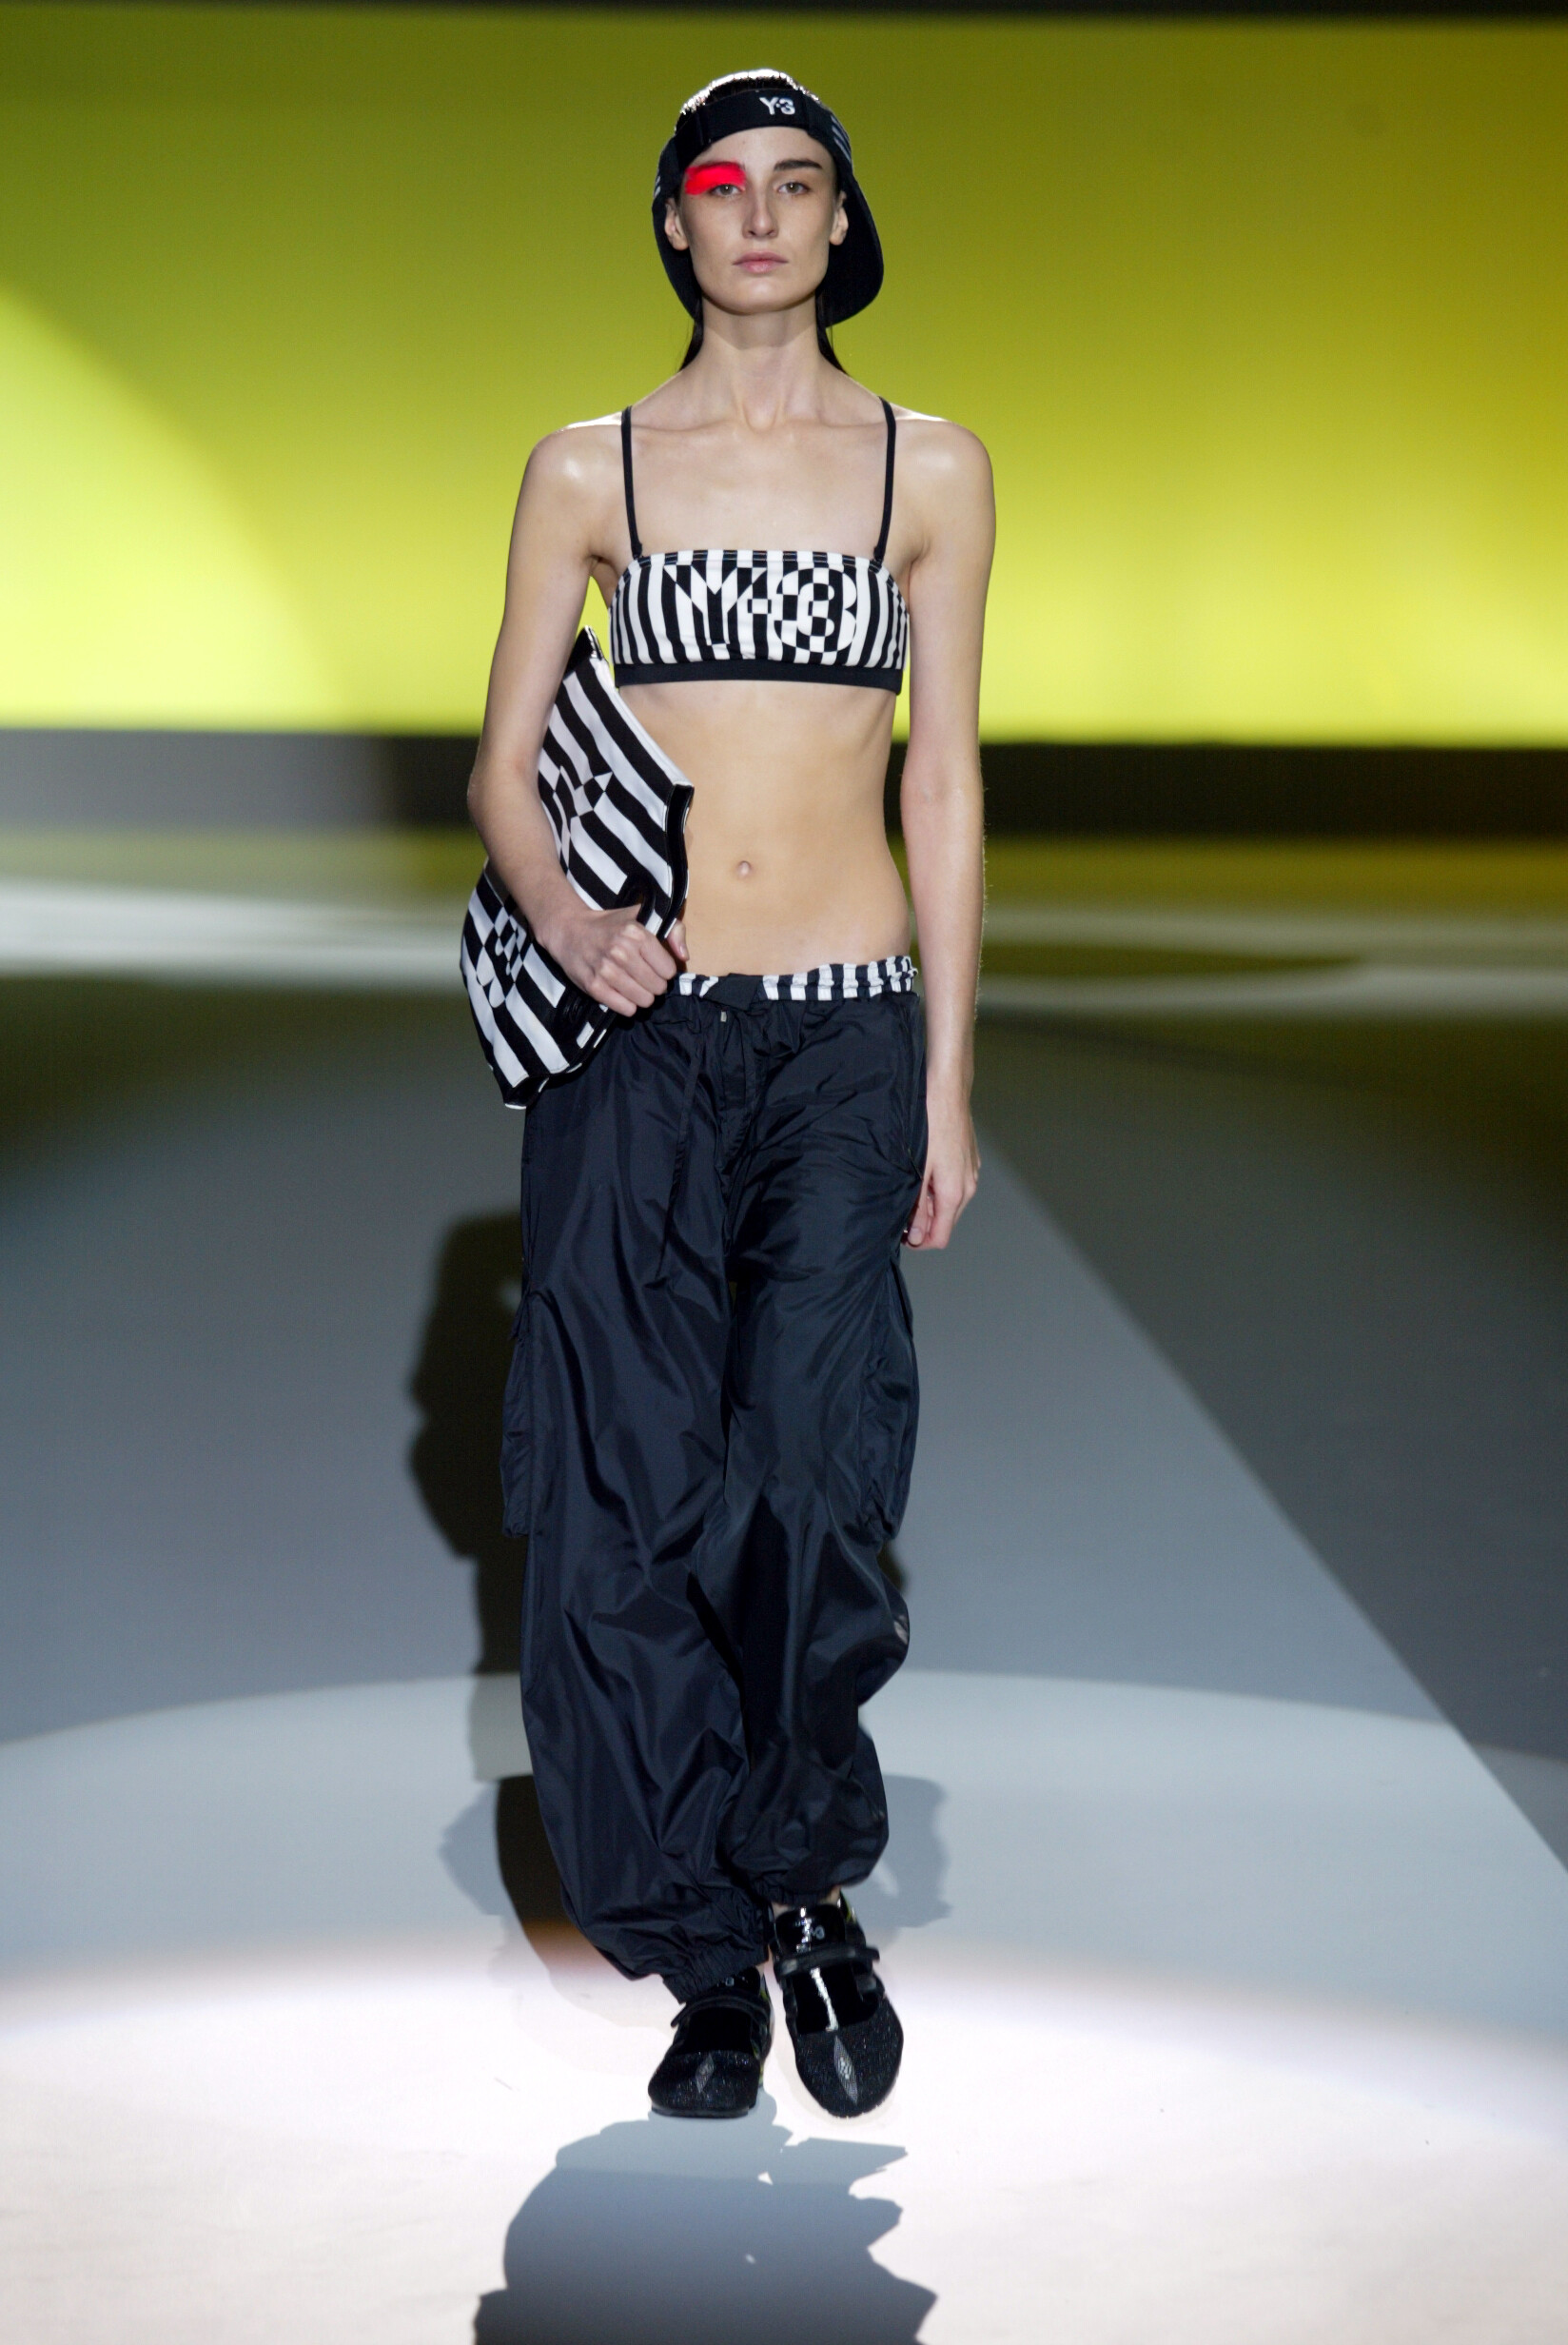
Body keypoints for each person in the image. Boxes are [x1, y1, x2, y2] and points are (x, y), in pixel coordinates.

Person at [467, 68, 990, 2120]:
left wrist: (947, 1070)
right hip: (642, 1035)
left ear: (843, 223)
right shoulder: (582, 468)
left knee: (810, 1473)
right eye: (720, 184)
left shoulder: (928, 471)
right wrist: (564, 918)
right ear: (673, 224)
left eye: (796, 184)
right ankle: (701, 1951)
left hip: (845, 1026)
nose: (759, 214)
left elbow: (940, 777)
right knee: (620, 1496)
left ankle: (804, 1881)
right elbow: (505, 762)